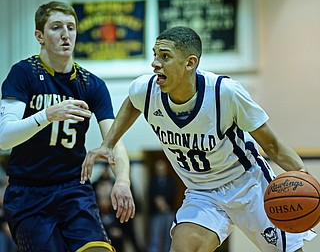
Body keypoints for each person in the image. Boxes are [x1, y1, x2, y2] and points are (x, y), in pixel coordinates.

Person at [81, 25, 317, 252]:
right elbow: (132, 102)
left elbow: (273, 146)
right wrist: (108, 143)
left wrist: (306, 180)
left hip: (248, 185)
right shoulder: (146, 90)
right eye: (155, 55)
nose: (154, 63)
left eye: (165, 56)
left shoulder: (225, 93)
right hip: (202, 192)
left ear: (190, 63)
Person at [0, 1, 135, 252]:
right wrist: (47, 115)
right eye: (56, 27)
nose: (66, 34)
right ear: (39, 36)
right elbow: (5, 138)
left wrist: (124, 180)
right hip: (28, 192)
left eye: (71, 27)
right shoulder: (23, 74)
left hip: (73, 189)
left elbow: (114, 140)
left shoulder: (91, 84)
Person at [148, 159, 176, 252]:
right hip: (156, 212)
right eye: (158, 169)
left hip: (168, 211)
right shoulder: (153, 181)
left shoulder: (171, 180)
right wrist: (158, 202)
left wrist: (164, 204)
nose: (161, 171)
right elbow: (151, 194)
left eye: (162, 169)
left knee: (169, 236)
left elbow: (173, 194)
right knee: (155, 236)